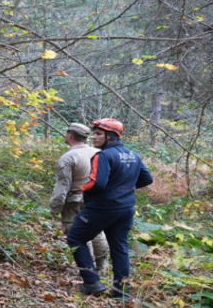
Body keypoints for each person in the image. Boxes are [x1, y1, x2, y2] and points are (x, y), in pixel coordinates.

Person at [65, 118, 153, 298]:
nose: (94, 138)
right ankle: (122, 292)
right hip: (126, 208)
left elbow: (96, 184)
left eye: (98, 134)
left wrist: (83, 189)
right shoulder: (133, 154)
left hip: (102, 208)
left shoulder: (103, 156)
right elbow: (147, 179)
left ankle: (92, 282)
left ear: (110, 137)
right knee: (119, 246)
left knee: (75, 237)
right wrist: (124, 189)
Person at [49, 123, 109, 273]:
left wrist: (55, 206)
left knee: (78, 233)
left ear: (70, 136)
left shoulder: (69, 157)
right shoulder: (99, 153)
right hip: (98, 199)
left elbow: (63, 185)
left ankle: (87, 268)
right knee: (98, 232)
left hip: (76, 200)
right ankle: (102, 268)